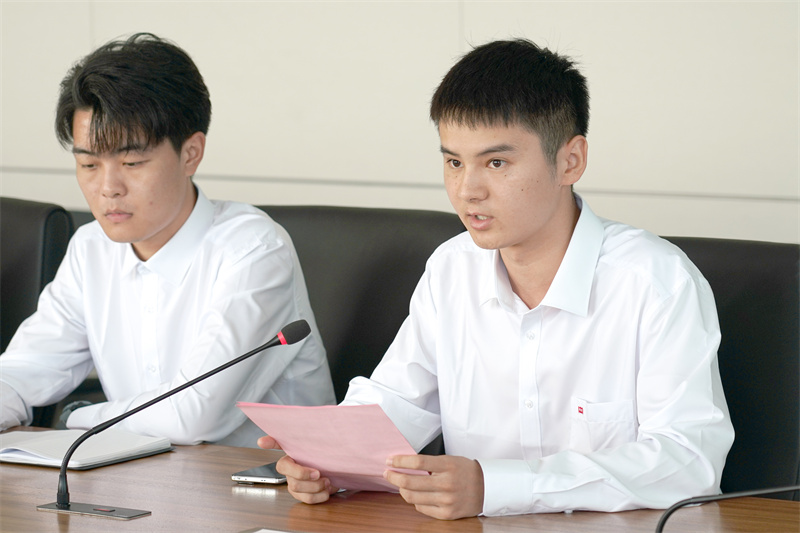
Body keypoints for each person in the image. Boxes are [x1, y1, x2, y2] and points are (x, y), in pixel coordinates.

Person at [258, 39, 734, 518]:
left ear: (570, 161)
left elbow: (688, 462)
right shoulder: (451, 268)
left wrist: (495, 486)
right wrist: (327, 457)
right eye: (454, 162)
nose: (467, 190)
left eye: (496, 163)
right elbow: (398, 402)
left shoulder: (655, 281)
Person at [0, 33, 336, 447]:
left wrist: (77, 418)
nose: (108, 188)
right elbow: (25, 369)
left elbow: (193, 415)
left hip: (265, 482)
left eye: (132, 162)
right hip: (142, 476)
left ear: (191, 153)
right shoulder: (91, 249)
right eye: (88, 164)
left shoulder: (253, 250)